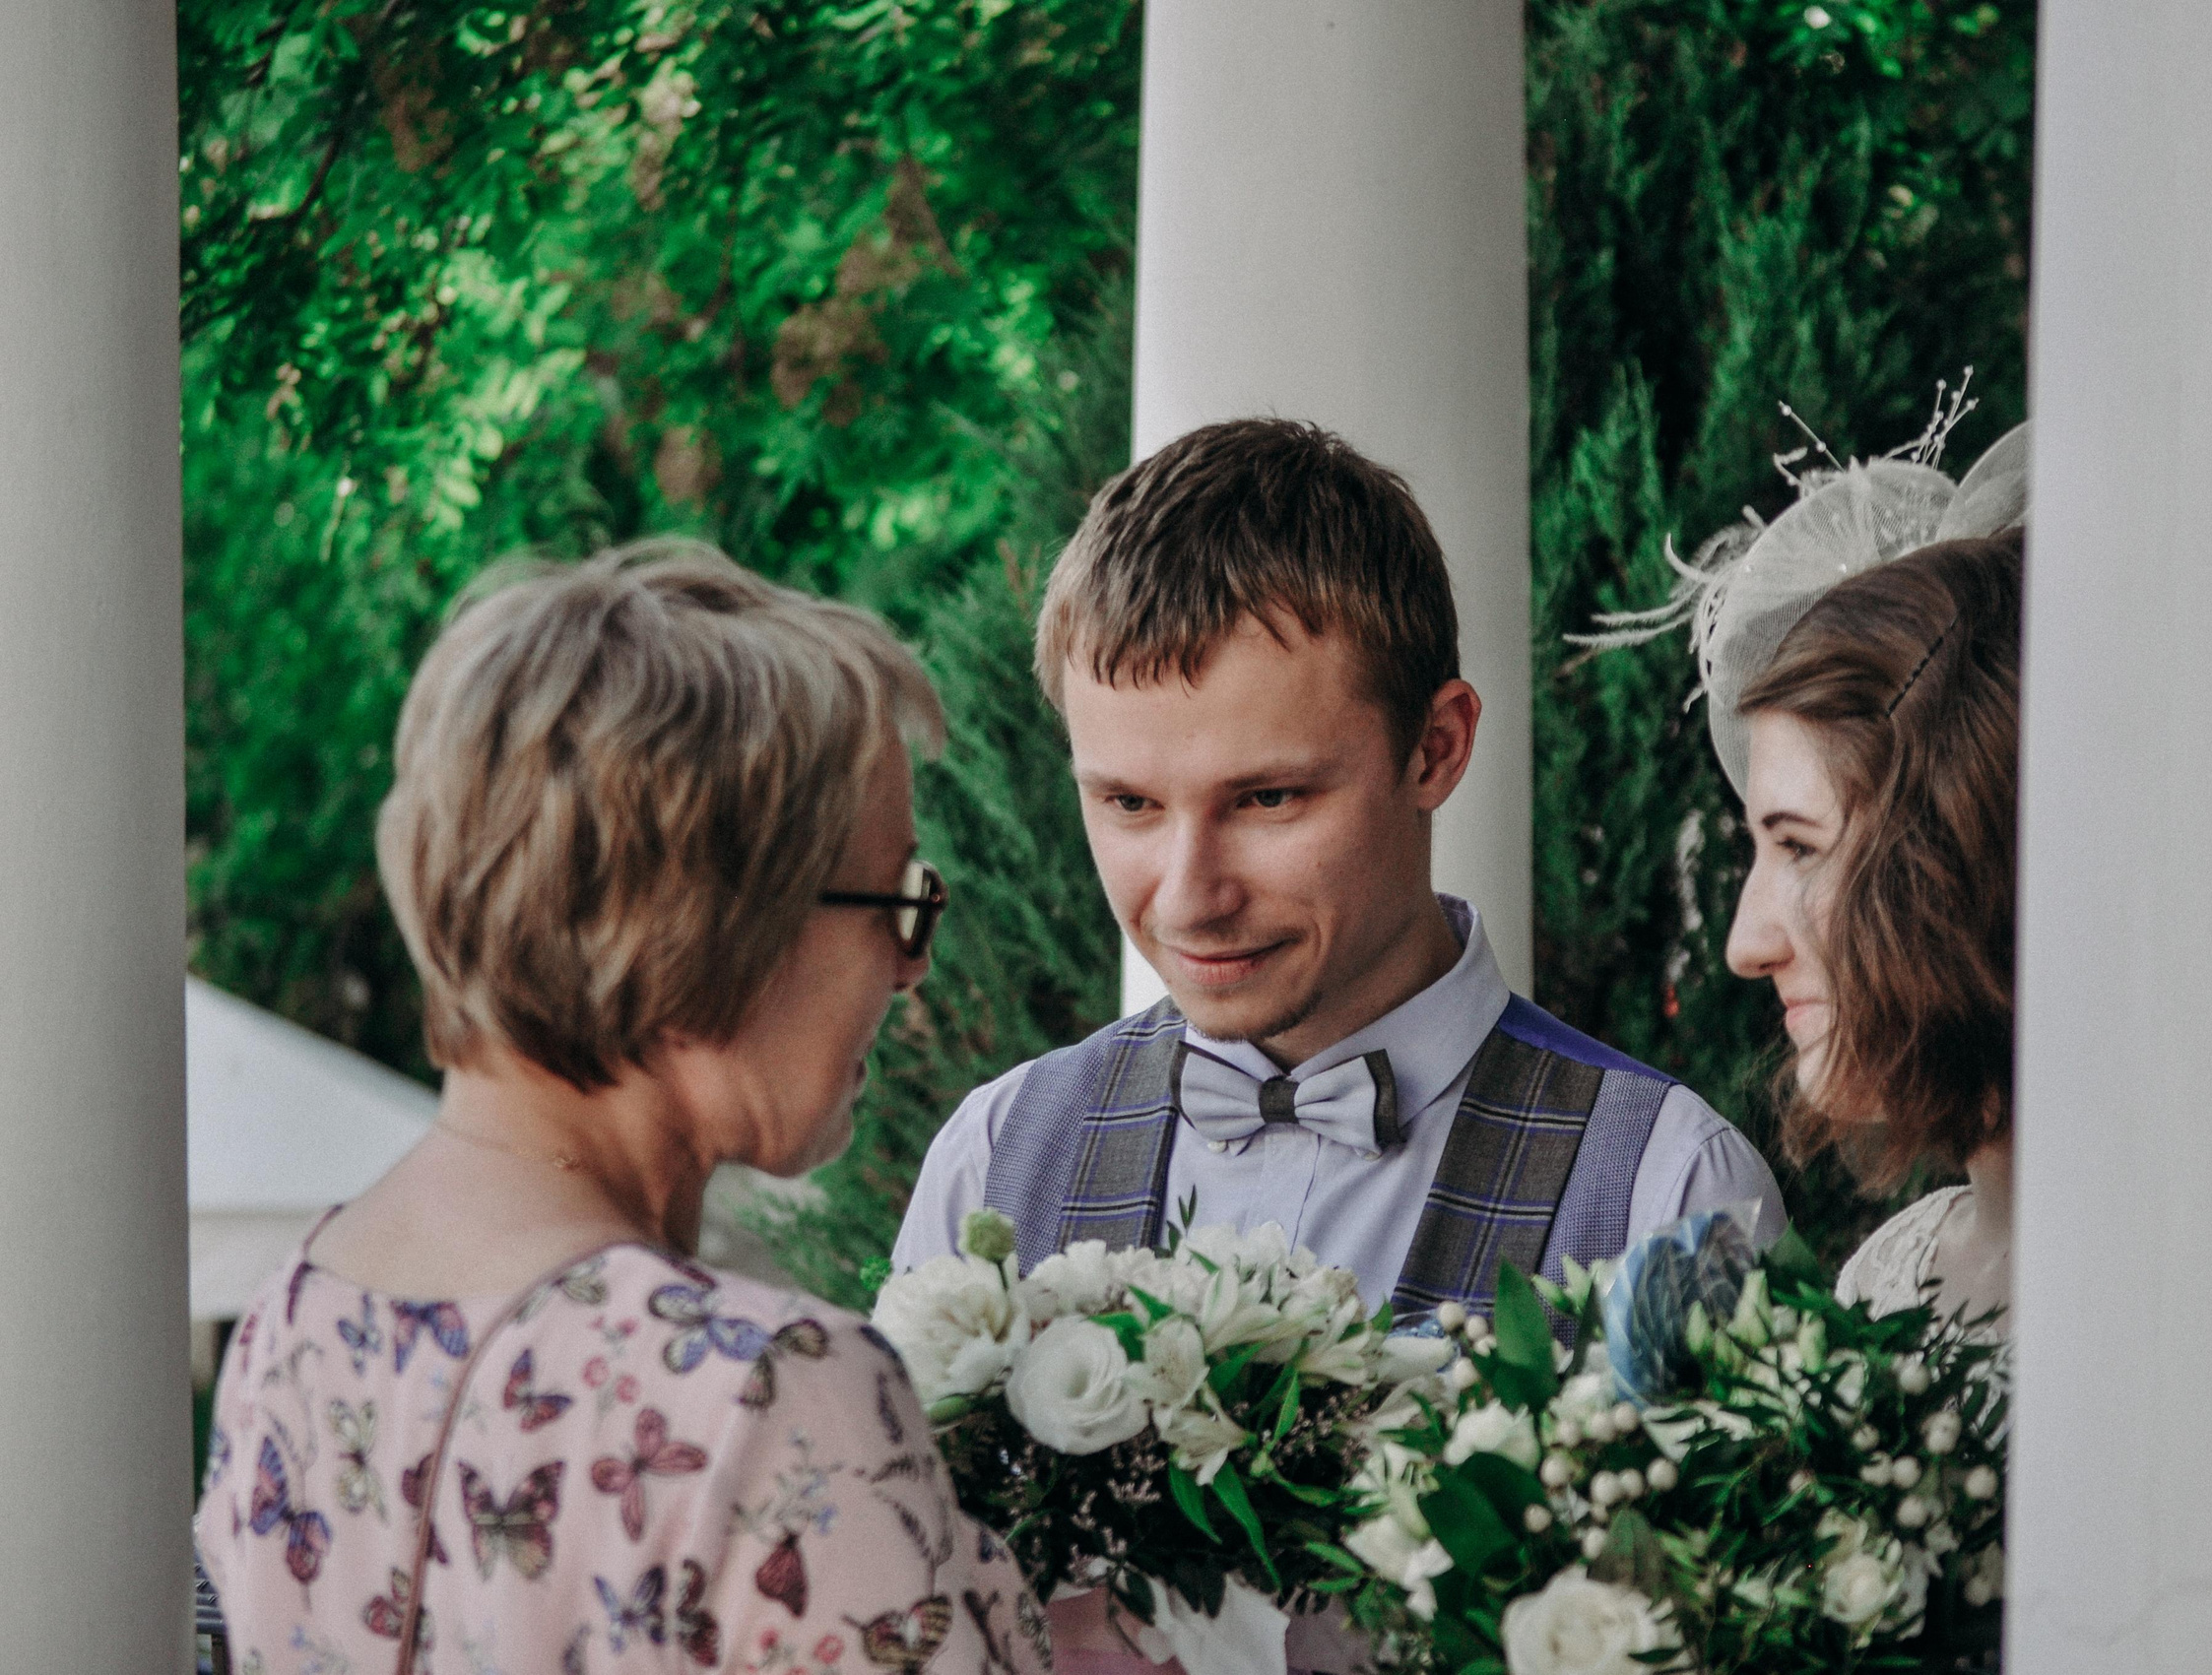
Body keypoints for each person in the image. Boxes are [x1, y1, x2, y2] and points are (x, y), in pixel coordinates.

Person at [196, 544, 1050, 1675]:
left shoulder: (287, 1327)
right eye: (895, 902)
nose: (910, 969)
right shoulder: (764, 1392)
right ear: (718, 919)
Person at [893, 419, 1784, 1317]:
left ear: (1435, 748)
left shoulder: (1670, 1197)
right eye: (1130, 803)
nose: (1190, 897)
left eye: (1268, 799)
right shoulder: (992, 1160)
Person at [1724, 531, 2022, 1327]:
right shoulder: (1886, 1278)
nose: (1745, 946)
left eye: (1799, 846)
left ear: (1958, 854)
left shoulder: (2160, 1289)